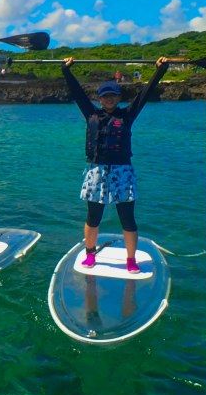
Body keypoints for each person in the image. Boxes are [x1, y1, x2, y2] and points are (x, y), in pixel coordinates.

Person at [62, 56, 169, 273]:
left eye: (112, 96)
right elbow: (77, 92)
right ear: (100, 99)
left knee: (127, 218)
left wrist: (160, 70)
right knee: (93, 217)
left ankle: (131, 259)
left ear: (118, 97)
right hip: (96, 171)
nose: (109, 99)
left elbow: (145, 94)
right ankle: (90, 254)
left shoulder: (127, 115)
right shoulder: (91, 113)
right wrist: (66, 70)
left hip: (122, 172)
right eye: (105, 96)